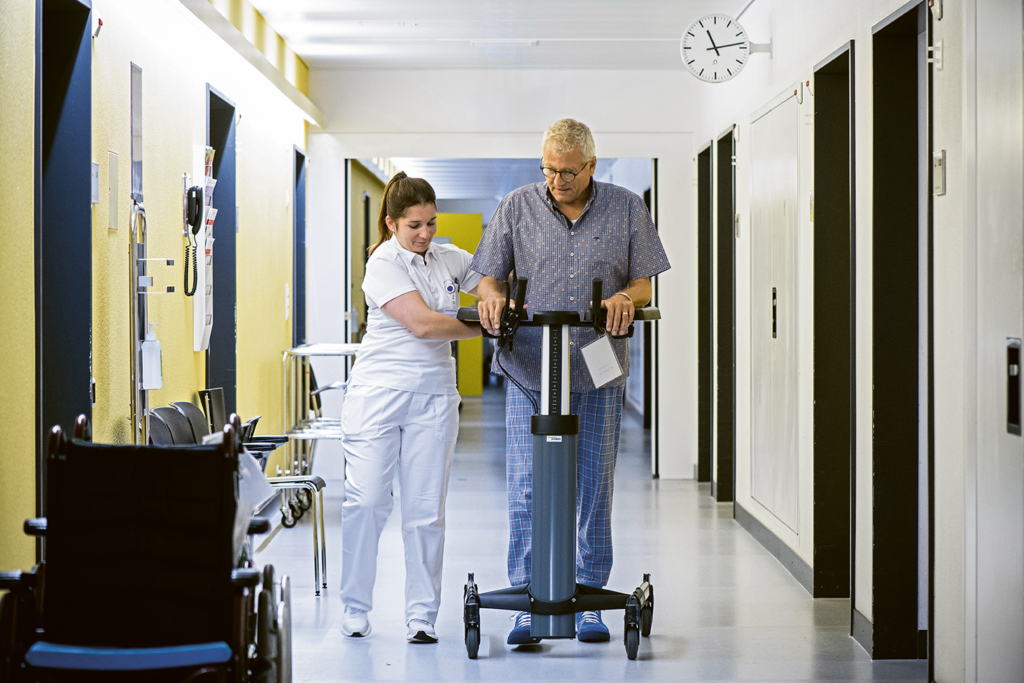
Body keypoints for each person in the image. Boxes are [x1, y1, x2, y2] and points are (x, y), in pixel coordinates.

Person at [471, 119, 671, 645]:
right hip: (529, 371)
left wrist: (629, 298)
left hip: (597, 369)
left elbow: (643, 281)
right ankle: (527, 596)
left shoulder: (627, 206)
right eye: (549, 169)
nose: (556, 180)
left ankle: (589, 598)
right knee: (525, 488)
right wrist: (491, 296)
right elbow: (490, 274)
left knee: (593, 488)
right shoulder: (517, 206)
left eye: (567, 171)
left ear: (591, 166)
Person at [340, 172, 482, 644]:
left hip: (434, 397)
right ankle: (355, 607)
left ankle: (422, 616)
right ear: (392, 223)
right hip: (378, 395)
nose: (425, 234)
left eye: (432, 223)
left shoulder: (449, 258)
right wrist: (489, 327)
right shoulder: (382, 262)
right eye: (414, 225)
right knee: (367, 502)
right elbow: (422, 325)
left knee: (425, 512)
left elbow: (490, 286)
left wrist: (497, 301)